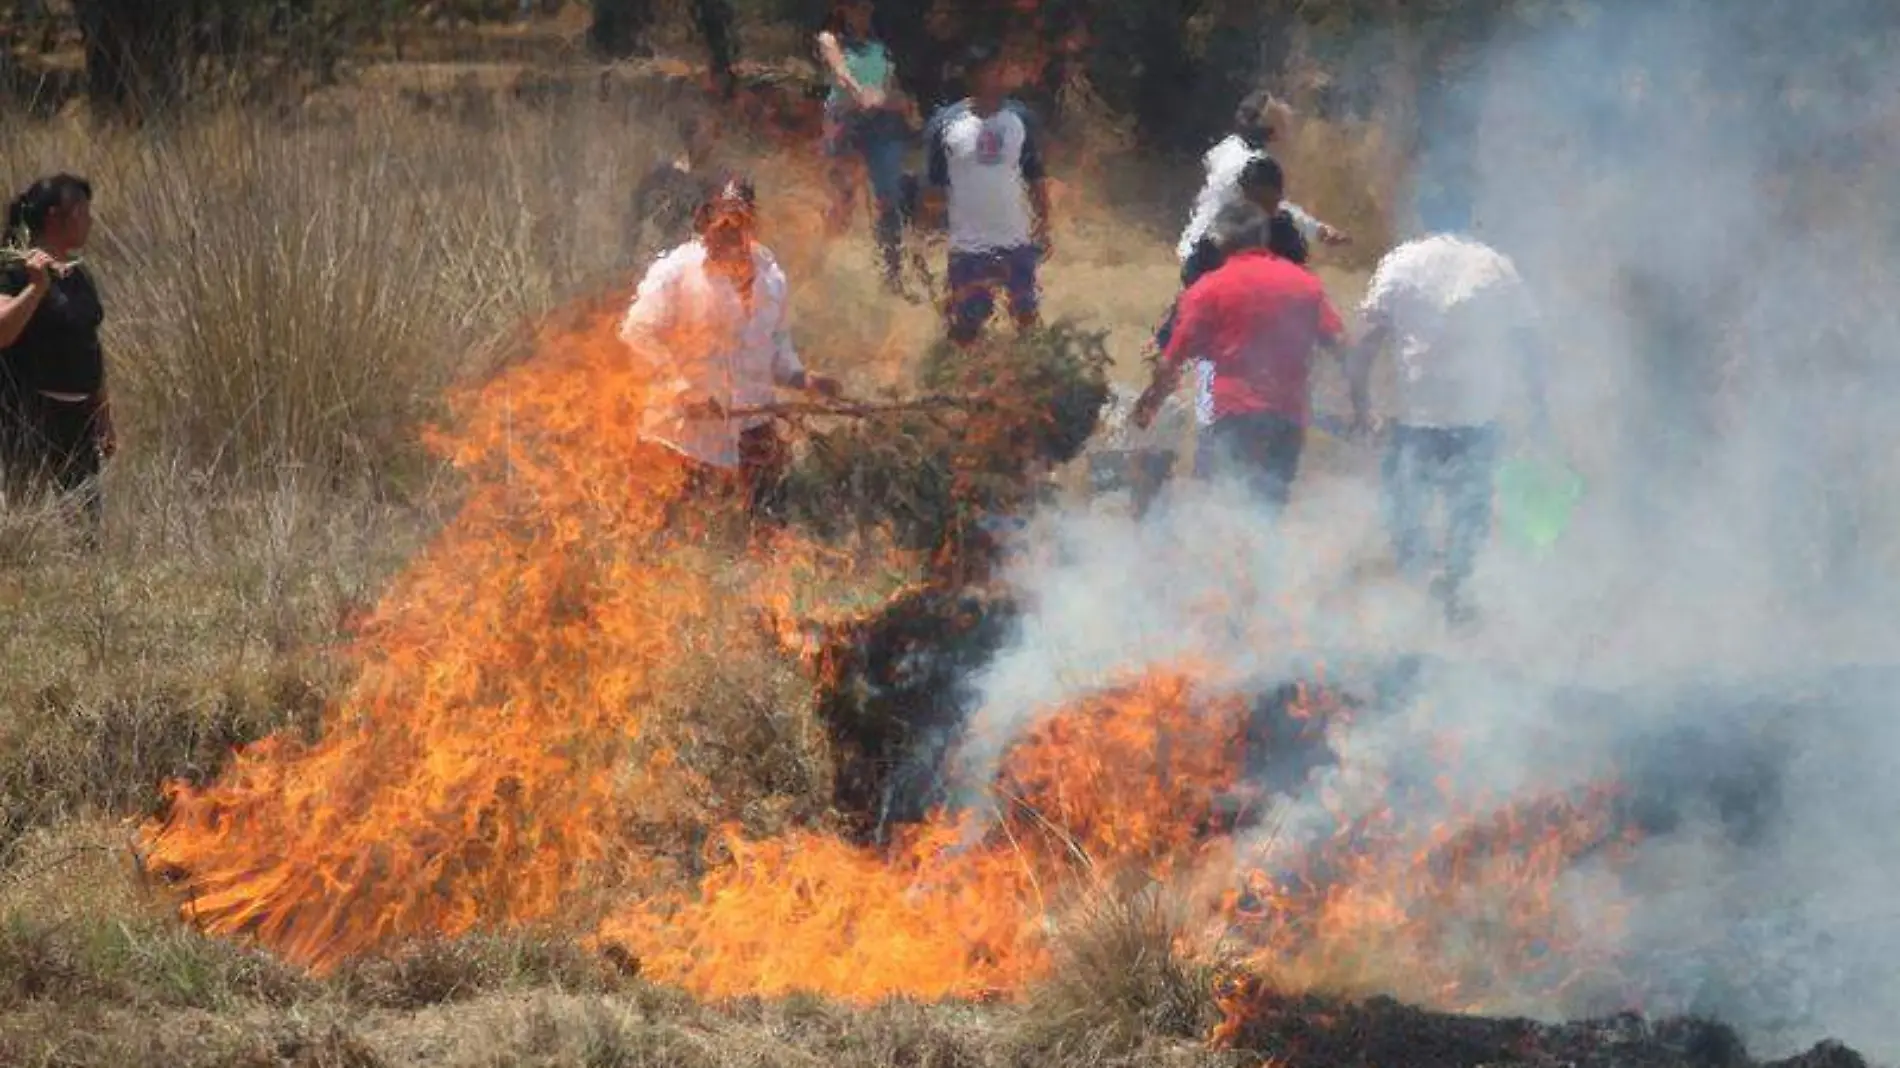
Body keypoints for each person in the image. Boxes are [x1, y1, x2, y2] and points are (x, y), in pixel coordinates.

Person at [1345, 195, 1550, 627]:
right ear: (1469, 215)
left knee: (1406, 510)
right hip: (1477, 416)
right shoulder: (1496, 266)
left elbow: (1366, 341)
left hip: (1416, 415)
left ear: (1423, 216)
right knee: (1468, 510)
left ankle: (1420, 595)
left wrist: (1361, 404)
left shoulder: (1401, 262)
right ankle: (1454, 588)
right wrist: (1538, 409)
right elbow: (1530, 343)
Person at [618, 176, 842, 519]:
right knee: (681, 538)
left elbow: (776, 348)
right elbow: (638, 331)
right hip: (685, 438)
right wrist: (682, 389)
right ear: (703, 221)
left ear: (752, 222)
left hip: (753, 429)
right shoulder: (676, 271)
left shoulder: (771, 276)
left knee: (767, 531)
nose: (727, 230)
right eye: (719, 220)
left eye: (737, 220)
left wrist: (803, 379)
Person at [1132, 200, 1345, 513]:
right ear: (1263, 238)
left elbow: (1171, 361)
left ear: (1222, 240)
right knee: (1269, 511)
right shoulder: (1305, 285)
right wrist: (1361, 403)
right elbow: (1342, 346)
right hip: (1288, 417)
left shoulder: (1207, 290)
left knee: (1231, 512)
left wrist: (1150, 403)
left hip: (1235, 416)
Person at [0, 174, 112, 532]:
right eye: (82, 212)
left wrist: (103, 413)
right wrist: (36, 289)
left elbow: (89, 343)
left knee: (84, 528)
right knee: (21, 521)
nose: (90, 220)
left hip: (78, 418)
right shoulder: (13, 269)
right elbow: (3, 331)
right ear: (54, 217)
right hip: (29, 417)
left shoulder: (79, 275)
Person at [921, 43, 1053, 347]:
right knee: (968, 323)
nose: (999, 78)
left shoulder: (1020, 119)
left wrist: (1044, 224)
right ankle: (954, 379)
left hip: (1015, 239)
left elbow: (1035, 175)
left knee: (1026, 318)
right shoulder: (946, 124)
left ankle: (1030, 374)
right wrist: (925, 235)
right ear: (973, 77)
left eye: (1001, 71)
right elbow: (934, 188)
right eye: (992, 71)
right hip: (969, 245)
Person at [1177, 89, 1349, 265]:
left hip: (1196, 244)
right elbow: (1276, 207)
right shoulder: (1256, 165)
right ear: (1272, 131)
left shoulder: (1228, 146)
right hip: (1212, 253)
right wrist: (1318, 231)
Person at [817, 0, 917, 294]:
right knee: (844, 196)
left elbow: (891, 85)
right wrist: (862, 94)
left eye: (865, 7)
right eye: (855, 6)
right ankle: (827, 267)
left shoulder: (879, 47)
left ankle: (892, 271)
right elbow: (841, 74)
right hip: (845, 124)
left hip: (881, 124)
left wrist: (900, 103)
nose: (862, 11)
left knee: (888, 197)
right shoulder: (829, 39)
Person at [627, 109, 723, 269]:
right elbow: (649, 221)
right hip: (667, 260)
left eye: (713, 136)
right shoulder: (664, 177)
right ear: (690, 139)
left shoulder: (718, 182)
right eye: (705, 136)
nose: (711, 143)